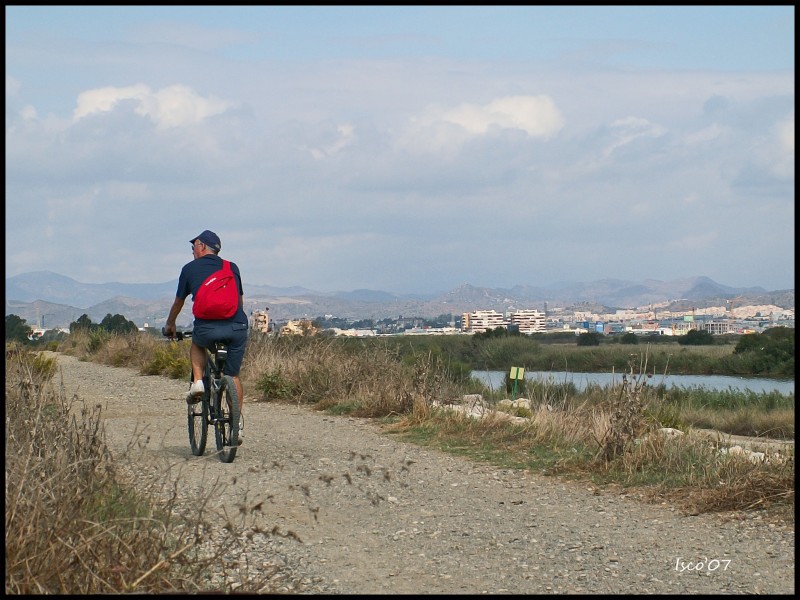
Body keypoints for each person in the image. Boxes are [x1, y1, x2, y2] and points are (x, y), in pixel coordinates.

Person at [164, 230, 249, 443]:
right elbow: (239, 302)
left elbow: (178, 303)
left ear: (201, 246)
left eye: (193, 246)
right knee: (234, 375)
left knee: (197, 344)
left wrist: (170, 324)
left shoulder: (189, 269)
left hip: (207, 329)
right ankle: (236, 424)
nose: (192, 250)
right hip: (236, 327)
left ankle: (199, 383)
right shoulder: (232, 267)